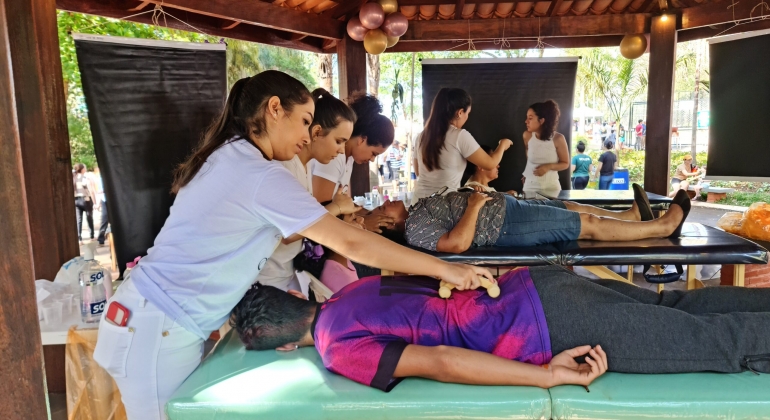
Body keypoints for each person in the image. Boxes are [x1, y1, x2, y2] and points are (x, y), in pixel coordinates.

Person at [92, 71, 493, 420]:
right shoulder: (259, 174)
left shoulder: (233, 157)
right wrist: (445, 269)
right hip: (156, 326)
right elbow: (353, 242)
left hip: (159, 321)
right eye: (304, 121)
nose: (307, 135)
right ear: (273, 110)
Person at [231, 265, 770, 392]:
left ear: (283, 345)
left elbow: (441, 360)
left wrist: (546, 378)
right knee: (676, 304)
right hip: (534, 283)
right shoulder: (349, 290)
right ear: (297, 295)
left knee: (714, 345)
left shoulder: (334, 347)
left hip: (546, 324)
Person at [370, 185, 690, 254]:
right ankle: (663, 227)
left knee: (573, 208)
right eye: (382, 209)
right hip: (507, 225)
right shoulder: (414, 229)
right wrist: (475, 204)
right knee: (588, 226)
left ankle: (630, 217)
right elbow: (456, 244)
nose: (386, 202)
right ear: (389, 224)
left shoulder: (416, 215)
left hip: (507, 211)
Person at [256, 88, 359, 292]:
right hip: (266, 280)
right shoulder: (285, 166)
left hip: (286, 272)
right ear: (317, 132)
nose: (341, 151)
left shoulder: (305, 166)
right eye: (338, 141)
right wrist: (336, 207)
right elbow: (290, 232)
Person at [413, 88, 513, 201]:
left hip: (418, 203)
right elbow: (490, 164)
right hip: (442, 207)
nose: (467, 117)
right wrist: (503, 145)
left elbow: (418, 172)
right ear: (460, 113)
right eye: (468, 113)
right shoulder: (459, 135)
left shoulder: (421, 137)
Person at [312, 95, 394, 201]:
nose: (372, 159)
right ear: (362, 140)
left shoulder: (349, 158)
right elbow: (321, 206)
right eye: (374, 153)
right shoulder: (334, 156)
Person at [521, 100, 569, 192]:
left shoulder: (558, 138)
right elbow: (529, 158)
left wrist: (548, 166)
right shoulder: (527, 136)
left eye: (530, 118)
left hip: (552, 186)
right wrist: (527, 173)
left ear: (541, 120)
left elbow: (565, 163)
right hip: (530, 186)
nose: (526, 121)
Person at [73, 163, 96, 242]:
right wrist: (94, 201)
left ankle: (79, 238)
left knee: (78, 219)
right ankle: (92, 236)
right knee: (89, 217)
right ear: (82, 169)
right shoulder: (85, 177)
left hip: (76, 200)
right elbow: (90, 190)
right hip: (86, 199)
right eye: (85, 168)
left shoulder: (74, 178)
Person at [91, 166, 110, 246]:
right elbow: (99, 192)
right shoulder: (99, 179)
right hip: (104, 199)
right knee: (104, 218)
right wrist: (97, 203)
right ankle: (101, 238)